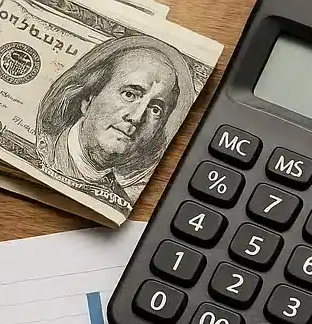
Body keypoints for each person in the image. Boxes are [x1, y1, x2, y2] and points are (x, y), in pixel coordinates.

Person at [36, 35, 196, 210]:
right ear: (88, 98)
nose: (137, 117)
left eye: (155, 109)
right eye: (129, 94)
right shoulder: (39, 154)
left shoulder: (126, 197)